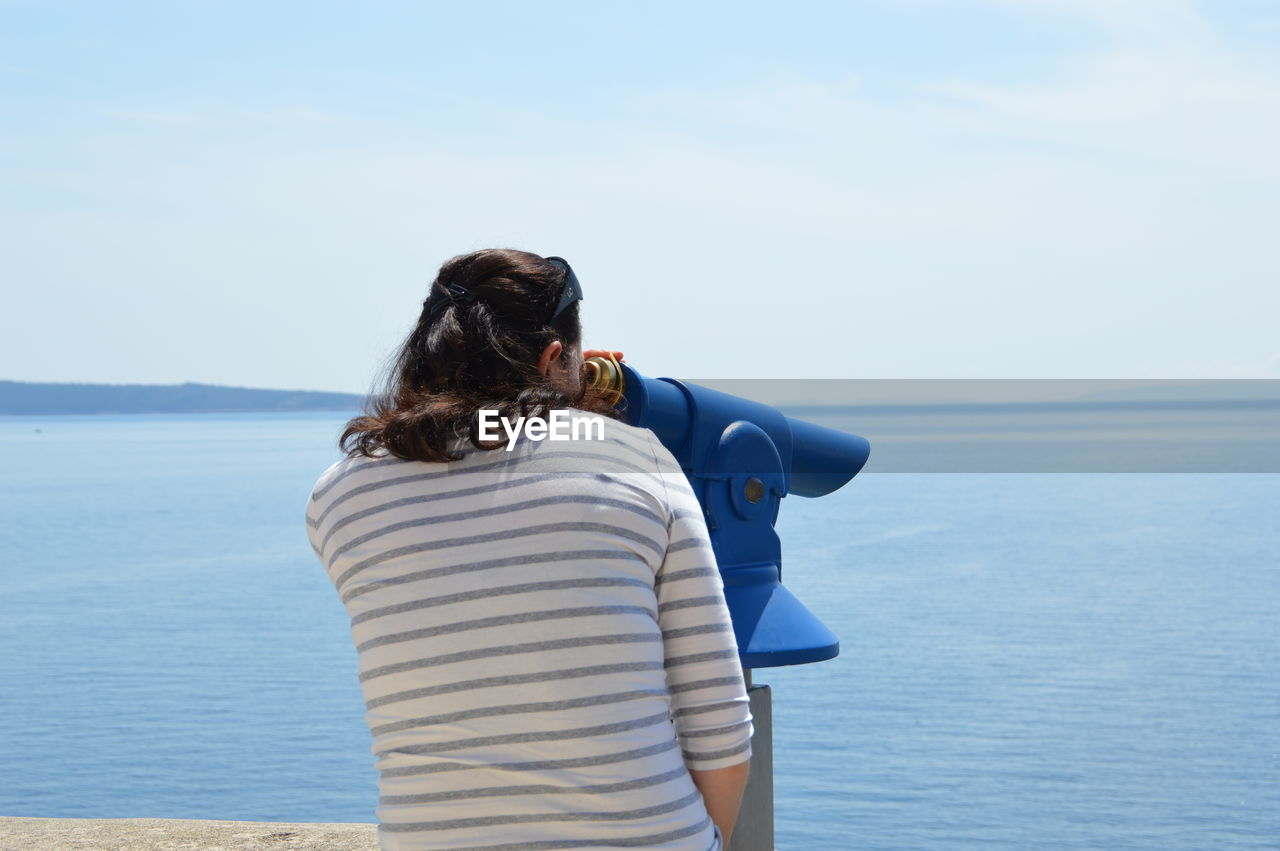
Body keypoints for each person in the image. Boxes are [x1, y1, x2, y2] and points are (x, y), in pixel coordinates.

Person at [305, 248, 753, 850]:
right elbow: (718, 723)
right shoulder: (640, 462)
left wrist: (551, 399)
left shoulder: (338, 497)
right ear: (550, 357)